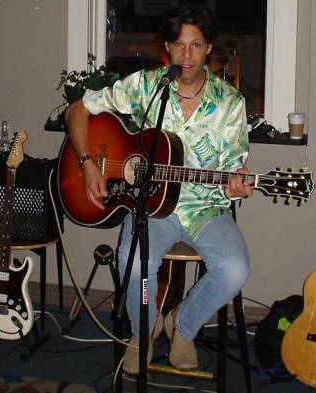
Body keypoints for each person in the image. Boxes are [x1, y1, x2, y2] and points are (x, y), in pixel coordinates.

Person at [65, 5, 253, 374]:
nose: (187, 55)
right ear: (167, 48)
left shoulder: (231, 103)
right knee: (135, 262)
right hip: (149, 206)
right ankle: (143, 332)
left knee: (234, 269)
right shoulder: (148, 86)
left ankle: (182, 326)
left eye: (196, 45)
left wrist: (235, 185)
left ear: (208, 48)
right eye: (179, 45)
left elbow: (233, 168)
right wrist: (88, 165)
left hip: (205, 207)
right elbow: (78, 110)